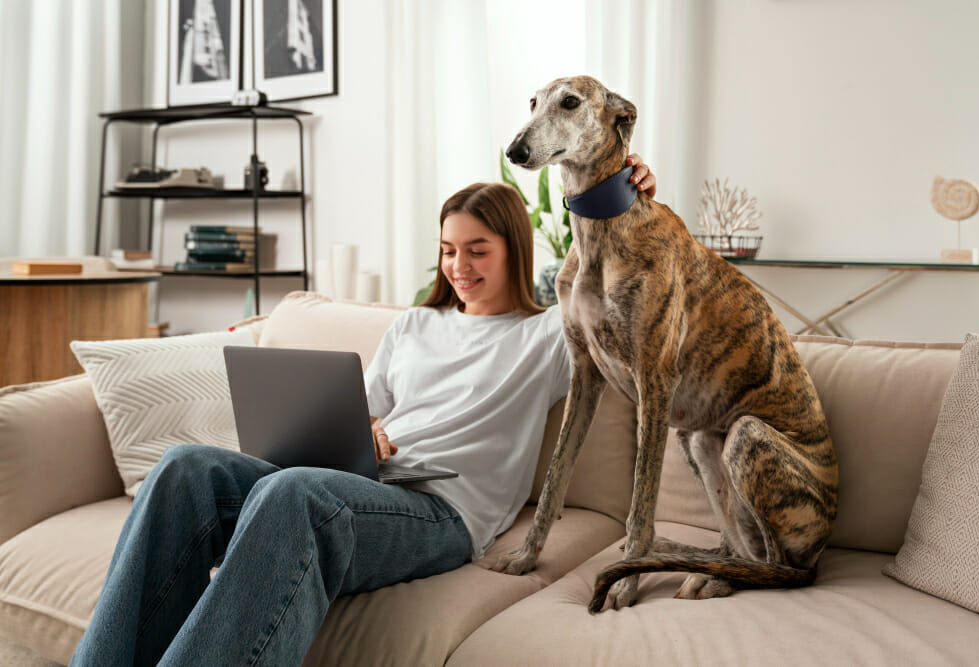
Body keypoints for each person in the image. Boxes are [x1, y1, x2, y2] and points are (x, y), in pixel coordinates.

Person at [69, 156, 656, 666]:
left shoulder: (548, 335)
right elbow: (361, 413)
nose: (460, 266)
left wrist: (631, 202)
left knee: (294, 494)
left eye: (479, 251)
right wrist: (366, 433)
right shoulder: (415, 324)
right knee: (183, 469)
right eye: (449, 251)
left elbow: (634, 286)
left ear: (515, 251)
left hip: (440, 513)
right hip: (363, 483)